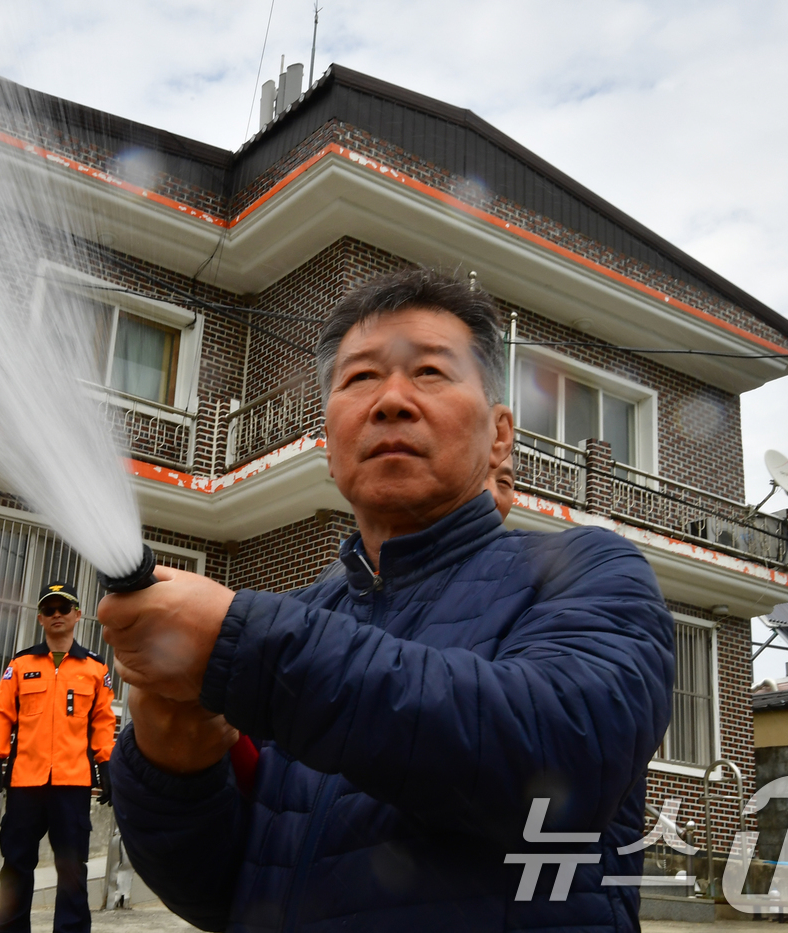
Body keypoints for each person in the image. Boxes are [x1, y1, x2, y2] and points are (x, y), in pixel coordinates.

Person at [100, 268, 675, 932]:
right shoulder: (297, 618)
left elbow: (560, 764)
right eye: (360, 378)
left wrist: (239, 642)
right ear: (329, 444)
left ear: (499, 435)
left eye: (430, 372)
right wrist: (174, 763)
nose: (391, 400)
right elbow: (220, 892)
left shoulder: (587, 571)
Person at [0, 581, 117, 933]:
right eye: (49, 609)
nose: (56, 615)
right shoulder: (20, 663)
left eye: (64, 608)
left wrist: (106, 766)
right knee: (16, 861)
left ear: (78, 614)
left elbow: (103, 721)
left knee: (72, 865)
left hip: (72, 783)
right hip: (26, 780)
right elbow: (2, 714)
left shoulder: (95, 669)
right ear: (40, 617)